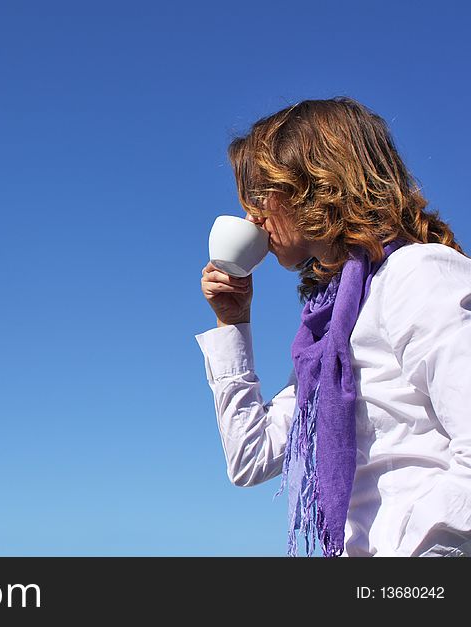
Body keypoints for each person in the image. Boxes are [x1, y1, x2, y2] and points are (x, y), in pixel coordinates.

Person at [197, 98, 471, 557]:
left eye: (262, 193)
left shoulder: (418, 274)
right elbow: (251, 457)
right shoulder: (327, 334)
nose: (252, 217)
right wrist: (233, 322)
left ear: (312, 184)